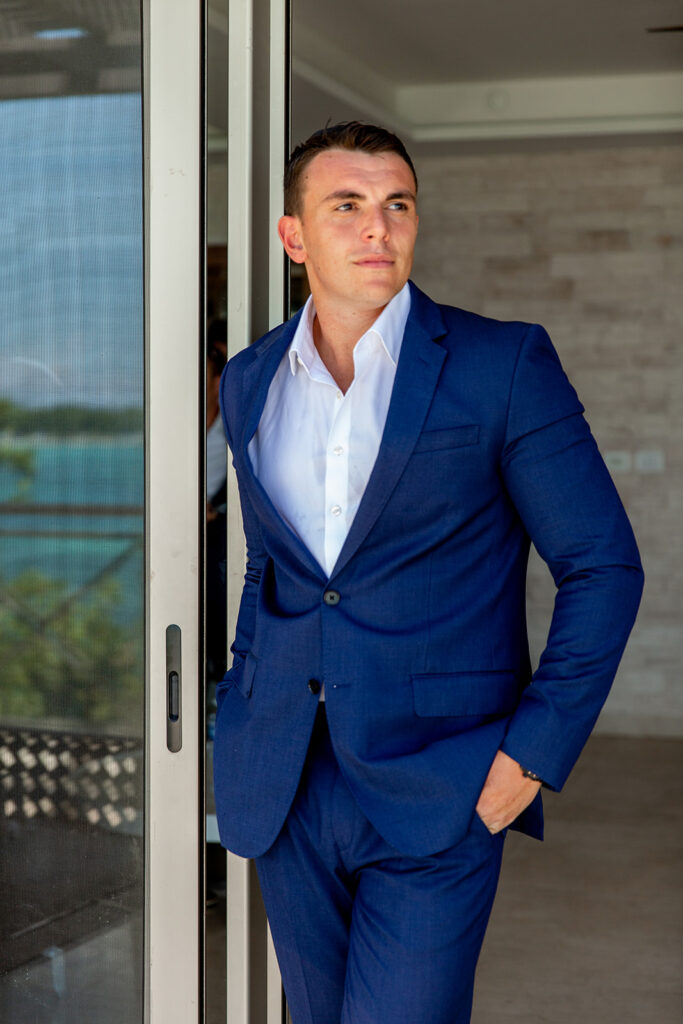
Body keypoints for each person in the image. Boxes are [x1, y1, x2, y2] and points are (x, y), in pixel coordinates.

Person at [213, 122, 643, 1024]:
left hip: (441, 777)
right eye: (347, 207)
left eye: (396, 205)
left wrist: (531, 753)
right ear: (295, 237)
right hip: (285, 777)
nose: (379, 228)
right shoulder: (251, 377)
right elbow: (271, 568)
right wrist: (237, 710)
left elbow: (602, 567)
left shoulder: (501, 364)